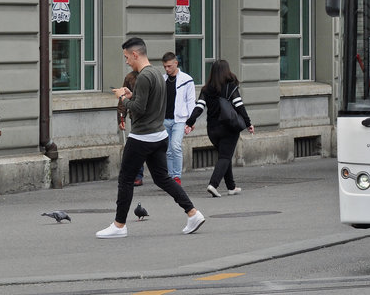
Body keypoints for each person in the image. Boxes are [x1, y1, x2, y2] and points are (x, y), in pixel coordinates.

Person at [98, 37, 205, 238]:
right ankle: (193, 213)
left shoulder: (144, 77)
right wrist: (132, 95)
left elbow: (139, 110)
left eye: (127, 57)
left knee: (125, 180)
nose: (127, 61)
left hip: (142, 136)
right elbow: (150, 103)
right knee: (163, 178)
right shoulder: (156, 73)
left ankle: (119, 225)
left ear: (135, 54)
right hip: (159, 134)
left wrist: (122, 98)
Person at [184, 59, 254, 197]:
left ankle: (231, 187)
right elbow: (239, 106)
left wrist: (190, 122)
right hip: (229, 128)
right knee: (225, 156)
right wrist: (248, 123)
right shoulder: (230, 87)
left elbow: (199, 107)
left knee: (224, 155)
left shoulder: (206, 89)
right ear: (226, 71)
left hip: (212, 130)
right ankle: (213, 184)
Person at [162, 52, 196, 182]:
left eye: (169, 66)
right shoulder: (162, 79)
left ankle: (177, 176)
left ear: (176, 63)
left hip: (180, 119)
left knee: (175, 146)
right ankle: (170, 177)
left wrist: (191, 121)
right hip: (165, 119)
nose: (167, 69)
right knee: (167, 149)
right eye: (165, 66)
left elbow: (190, 101)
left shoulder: (186, 79)